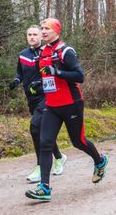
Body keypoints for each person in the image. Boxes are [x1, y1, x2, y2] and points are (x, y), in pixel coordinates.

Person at [25, 18, 108, 201]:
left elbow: (79, 76)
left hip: (71, 103)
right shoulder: (43, 52)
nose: (43, 31)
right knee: (45, 142)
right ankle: (44, 187)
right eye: (42, 28)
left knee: (78, 141)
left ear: (57, 31)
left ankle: (100, 161)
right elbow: (47, 76)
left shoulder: (66, 51)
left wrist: (57, 72)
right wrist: (39, 84)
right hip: (51, 105)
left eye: (47, 28)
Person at [10, 25, 66, 183]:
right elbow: (20, 72)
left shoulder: (47, 53)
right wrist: (16, 80)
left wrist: (40, 83)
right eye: (29, 34)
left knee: (35, 127)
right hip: (31, 98)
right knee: (42, 130)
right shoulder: (23, 54)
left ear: (41, 36)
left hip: (46, 96)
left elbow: (53, 73)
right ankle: (59, 157)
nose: (32, 37)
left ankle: (40, 167)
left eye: (35, 34)